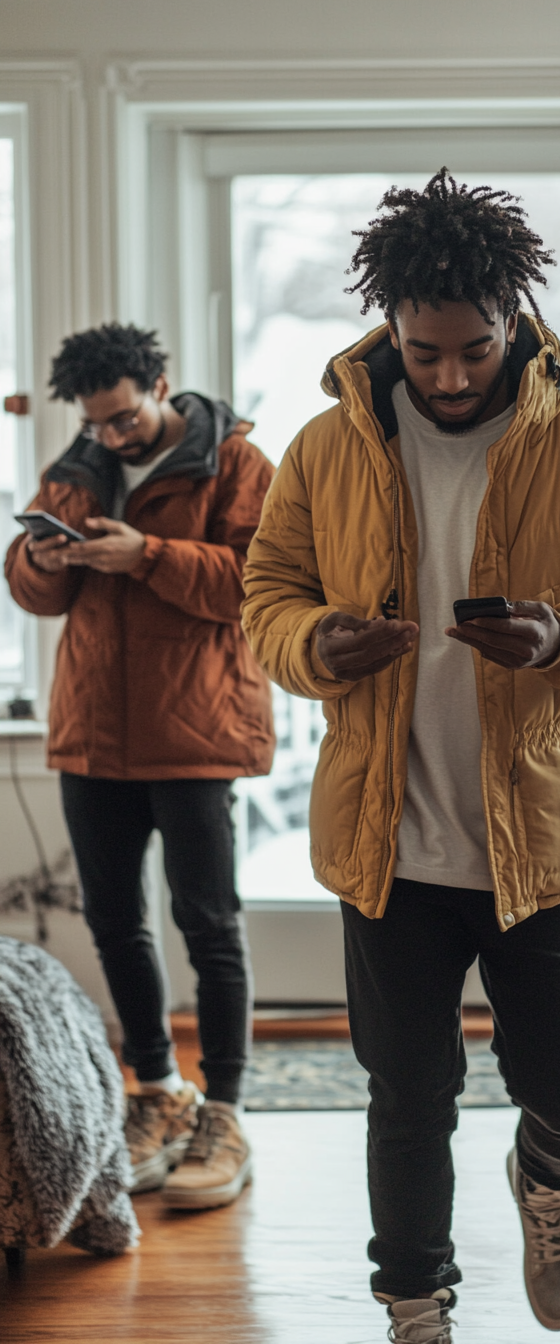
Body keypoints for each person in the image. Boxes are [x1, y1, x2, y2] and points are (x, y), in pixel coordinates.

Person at [241, 170, 560, 1339]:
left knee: (557, 1081)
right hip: (384, 841)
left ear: (514, 323)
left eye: (474, 352)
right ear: (388, 327)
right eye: (423, 350)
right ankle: (413, 1302)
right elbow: (266, 601)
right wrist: (315, 645)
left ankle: (548, 1185)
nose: (447, 376)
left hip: (535, 840)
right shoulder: (322, 448)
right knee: (407, 1096)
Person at [4, 323, 275, 1210]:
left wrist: (146, 555)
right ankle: (156, 1091)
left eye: (123, 419)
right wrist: (40, 561)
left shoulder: (235, 463)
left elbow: (257, 584)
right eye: (96, 424)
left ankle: (225, 1109)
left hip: (193, 730)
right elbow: (33, 593)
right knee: (116, 923)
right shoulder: (77, 465)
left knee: (209, 925)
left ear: (160, 384)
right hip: (93, 733)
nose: (110, 437)